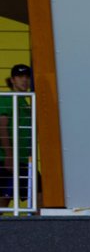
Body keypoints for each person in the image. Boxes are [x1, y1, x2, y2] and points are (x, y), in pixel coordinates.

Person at [0, 64, 35, 210]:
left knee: (38, 191)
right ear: (13, 80)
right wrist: (9, 156)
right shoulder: (7, 99)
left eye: (27, 77)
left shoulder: (24, 101)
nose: (24, 80)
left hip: (22, 159)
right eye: (20, 77)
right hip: (7, 159)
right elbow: (2, 127)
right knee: (5, 196)